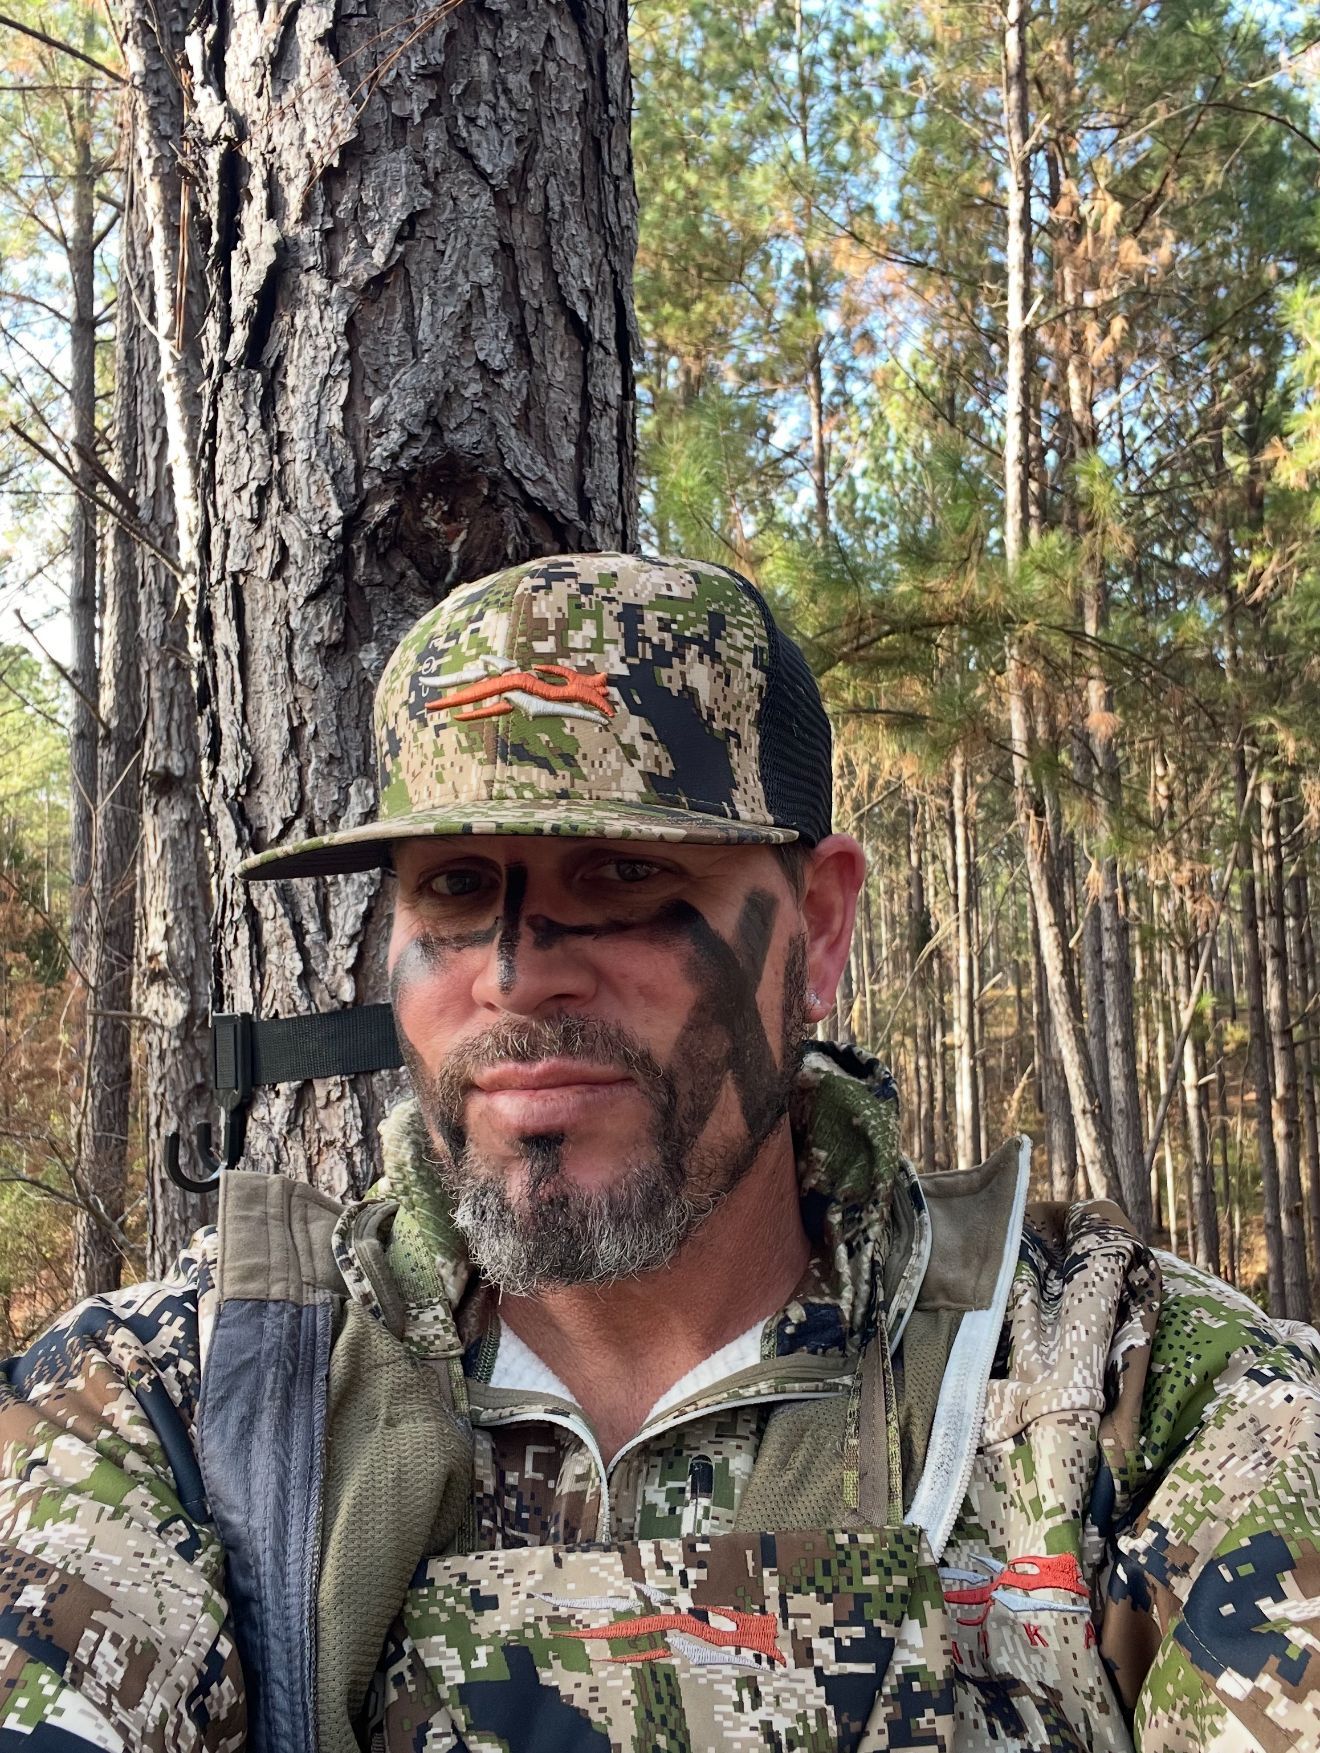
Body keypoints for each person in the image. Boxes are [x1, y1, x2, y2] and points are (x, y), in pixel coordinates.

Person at [0, 552, 1316, 1753]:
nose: (515, 978)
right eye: (455, 885)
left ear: (819, 928)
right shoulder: (190, 1407)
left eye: (624, 874)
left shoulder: (1115, 1396)